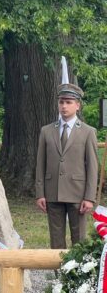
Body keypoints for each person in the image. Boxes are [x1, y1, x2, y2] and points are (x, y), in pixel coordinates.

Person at [35, 83, 99, 249]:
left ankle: (79, 273)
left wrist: (89, 197)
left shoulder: (87, 132)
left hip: (78, 194)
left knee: (79, 239)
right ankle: (59, 273)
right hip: (53, 192)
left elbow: (92, 167)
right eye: (61, 102)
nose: (64, 106)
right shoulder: (46, 131)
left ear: (77, 105)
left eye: (69, 102)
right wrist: (40, 193)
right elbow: (40, 164)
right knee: (56, 240)